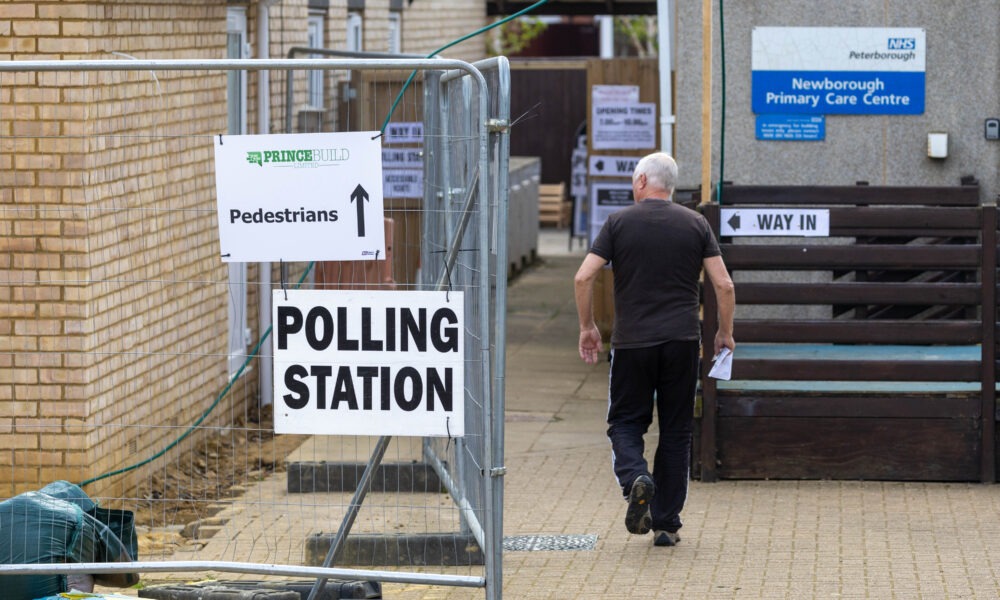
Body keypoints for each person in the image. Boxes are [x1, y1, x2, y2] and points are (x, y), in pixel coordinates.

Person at [573, 152, 735, 547]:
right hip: (682, 342)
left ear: (643, 181)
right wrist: (723, 333)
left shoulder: (618, 223)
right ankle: (665, 523)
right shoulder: (696, 224)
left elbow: (583, 276)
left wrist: (587, 326)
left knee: (625, 422)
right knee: (677, 431)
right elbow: (724, 286)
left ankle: (635, 479)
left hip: (633, 344)